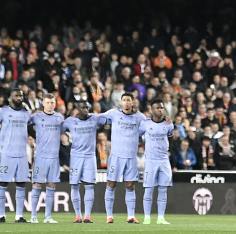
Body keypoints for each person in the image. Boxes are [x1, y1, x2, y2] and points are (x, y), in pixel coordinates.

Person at [63, 100, 112, 223]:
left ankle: (87, 216)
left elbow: (110, 119)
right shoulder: (70, 121)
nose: (85, 110)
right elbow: (56, 130)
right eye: (82, 107)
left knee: (89, 185)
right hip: (76, 156)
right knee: (75, 185)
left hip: (90, 157)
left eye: (87, 107)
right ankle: (78, 216)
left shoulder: (94, 118)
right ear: (77, 109)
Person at [105, 92, 146, 224]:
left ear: (132, 102)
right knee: (111, 183)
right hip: (116, 156)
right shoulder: (113, 114)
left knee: (130, 185)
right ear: (121, 102)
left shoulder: (140, 117)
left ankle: (131, 216)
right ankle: (109, 216)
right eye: (124, 100)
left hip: (131, 157)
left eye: (129, 100)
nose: (126, 102)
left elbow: (148, 129)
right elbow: (98, 118)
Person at [0, 87, 33, 223]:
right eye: (16, 96)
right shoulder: (2, 111)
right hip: (7, 154)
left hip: (21, 154)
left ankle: (19, 216)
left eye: (21, 96)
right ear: (10, 98)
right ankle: (1, 216)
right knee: (2, 183)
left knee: (21, 184)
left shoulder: (26, 113)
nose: (19, 98)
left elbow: (30, 130)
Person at [28, 96, 65, 223]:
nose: (50, 105)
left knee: (51, 185)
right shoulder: (36, 117)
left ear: (55, 104)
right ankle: (33, 216)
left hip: (54, 157)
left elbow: (62, 131)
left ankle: (47, 216)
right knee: (37, 184)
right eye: (48, 102)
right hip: (41, 156)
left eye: (52, 102)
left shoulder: (59, 117)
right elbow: (27, 126)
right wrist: (35, 136)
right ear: (43, 103)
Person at [139, 100, 176, 224]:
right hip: (150, 160)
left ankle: (161, 218)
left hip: (164, 160)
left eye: (161, 107)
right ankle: (147, 217)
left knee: (163, 189)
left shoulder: (168, 124)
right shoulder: (145, 124)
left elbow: (171, 139)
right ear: (151, 109)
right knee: (149, 189)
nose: (160, 110)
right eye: (157, 108)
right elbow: (137, 136)